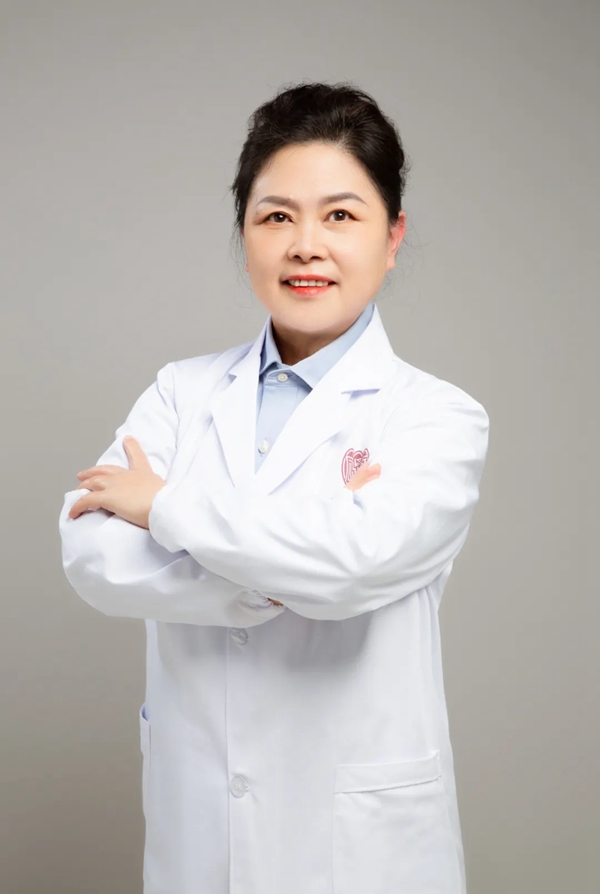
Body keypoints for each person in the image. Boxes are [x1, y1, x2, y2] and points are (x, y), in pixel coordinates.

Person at [58, 81, 490, 894]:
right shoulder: (180, 392)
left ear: (392, 236)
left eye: (341, 215)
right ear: (245, 233)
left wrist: (164, 507)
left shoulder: (438, 417)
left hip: (358, 844)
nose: (306, 245)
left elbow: (353, 562)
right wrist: (277, 574)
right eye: (276, 217)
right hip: (199, 821)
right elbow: (91, 554)